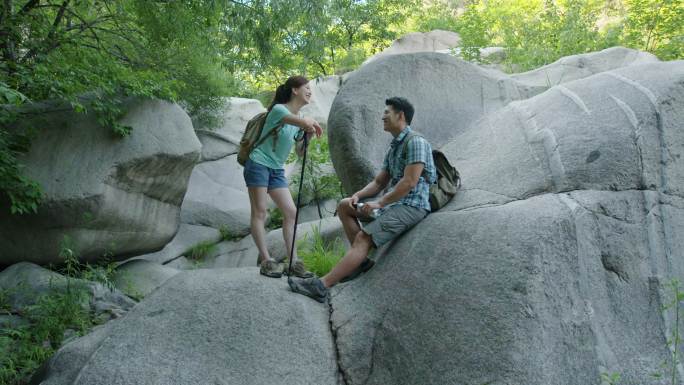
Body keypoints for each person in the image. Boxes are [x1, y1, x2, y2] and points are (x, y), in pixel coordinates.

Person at [288, 97, 436, 302]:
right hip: (395, 204)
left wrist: (380, 203)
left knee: (363, 238)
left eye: (387, 112)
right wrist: (358, 195)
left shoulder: (416, 142)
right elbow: (378, 182)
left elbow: (409, 182)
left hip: (412, 206)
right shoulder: (394, 146)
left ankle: (322, 286)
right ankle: (361, 262)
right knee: (344, 206)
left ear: (400, 115)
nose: (382, 116)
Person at [243, 75, 323, 278]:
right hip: (258, 163)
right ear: (294, 90)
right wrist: (309, 123)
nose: (309, 91)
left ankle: (293, 262)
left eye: (310, 89)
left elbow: (300, 152)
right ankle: (267, 261)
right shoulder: (279, 110)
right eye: (306, 87)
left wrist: (308, 136)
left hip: (276, 170)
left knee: (291, 212)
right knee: (260, 212)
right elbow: (303, 121)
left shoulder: (299, 119)